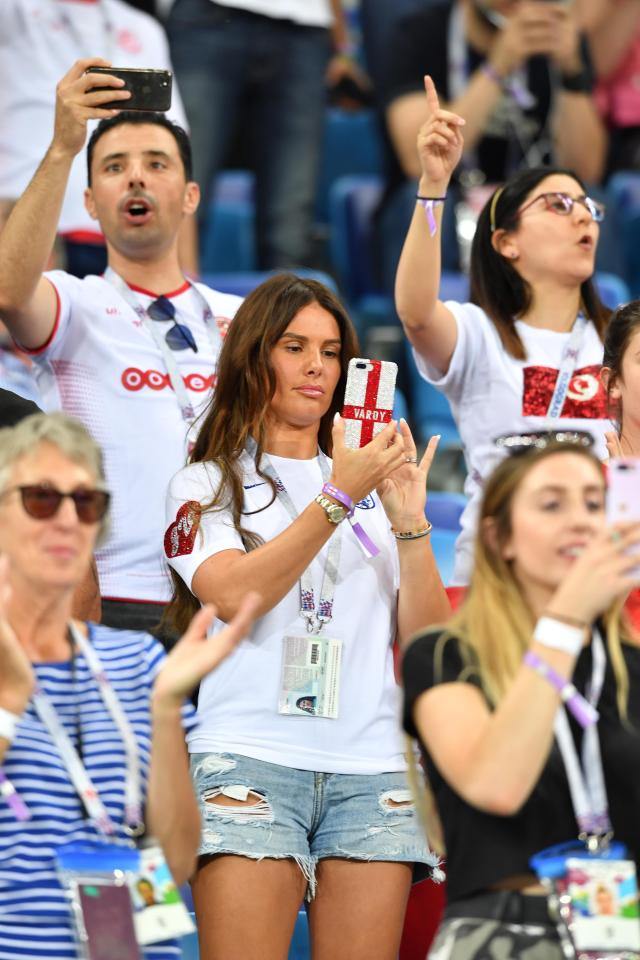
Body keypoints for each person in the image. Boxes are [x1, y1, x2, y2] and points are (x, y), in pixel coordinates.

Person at [163, 273, 452, 960]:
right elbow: (234, 596)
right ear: (254, 356)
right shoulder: (205, 481)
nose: (317, 366)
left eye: (330, 349)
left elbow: (430, 643)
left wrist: (410, 525)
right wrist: (336, 496)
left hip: (375, 769)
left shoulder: (377, 487)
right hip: (248, 762)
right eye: (294, 346)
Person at [0, 411, 260, 960]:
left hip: (132, 947)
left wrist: (166, 711)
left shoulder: (138, 660)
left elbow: (177, 862)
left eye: (86, 502)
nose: (68, 519)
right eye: (42, 499)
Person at [0, 60, 243, 636]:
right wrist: (63, 147)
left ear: (190, 196)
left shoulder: (244, 319)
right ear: (88, 201)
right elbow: (9, 290)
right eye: (115, 167)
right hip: (112, 599)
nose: (135, 178)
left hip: (233, 602)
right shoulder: (71, 303)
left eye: (155, 164)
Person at [402, 438, 640, 958]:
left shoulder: (627, 666)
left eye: (595, 504)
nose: (580, 520)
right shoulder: (445, 656)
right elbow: (496, 785)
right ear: (499, 537)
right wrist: (563, 624)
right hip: (501, 932)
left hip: (622, 930)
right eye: (552, 504)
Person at [394, 76, 612, 584]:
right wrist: (433, 187)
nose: (583, 216)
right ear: (505, 242)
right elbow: (416, 312)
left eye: (588, 206)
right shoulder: (477, 333)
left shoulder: (621, 340)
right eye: (558, 204)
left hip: (601, 576)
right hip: (494, 579)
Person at [377, 0, 606, 282]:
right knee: (421, 199)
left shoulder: (556, 35)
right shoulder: (419, 32)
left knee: (592, 202)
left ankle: (601, 322)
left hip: (537, 199)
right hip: (453, 194)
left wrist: (572, 73)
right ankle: (427, 317)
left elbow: (586, 169)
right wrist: (497, 67)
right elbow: (417, 161)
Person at [0, 0, 197, 278]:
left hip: (130, 238)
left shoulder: (144, 28)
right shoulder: (11, 11)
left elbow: (175, 153)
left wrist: (187, 274)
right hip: (29, 232)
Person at [166, 0, 364, 270]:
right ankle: (169, 309)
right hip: (206, 17)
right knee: (179, 192)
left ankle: (286, 312)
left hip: (306, 27)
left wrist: (343, 45)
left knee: (289, 227)